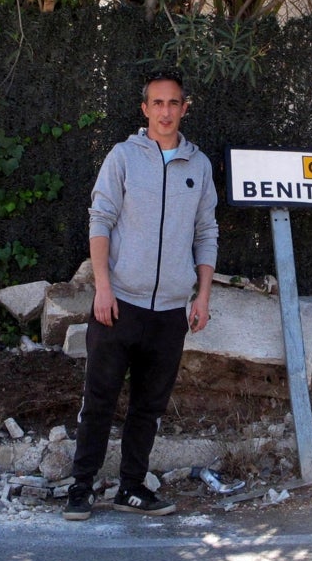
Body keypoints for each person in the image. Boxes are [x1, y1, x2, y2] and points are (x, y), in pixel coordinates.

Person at [63, 70, 219, 520]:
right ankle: (81, 487)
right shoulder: (123, 158)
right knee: (99, 401)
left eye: (174, 103)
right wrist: (103, 289)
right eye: (158, 103)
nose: (166, 112)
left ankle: (132, 487)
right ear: (145, 109)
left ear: (184, 107)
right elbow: (100, 220)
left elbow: (206, 233)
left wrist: (202, 296)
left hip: (171, 311)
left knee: (148, 409)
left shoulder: (199, 166)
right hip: (119, 304)